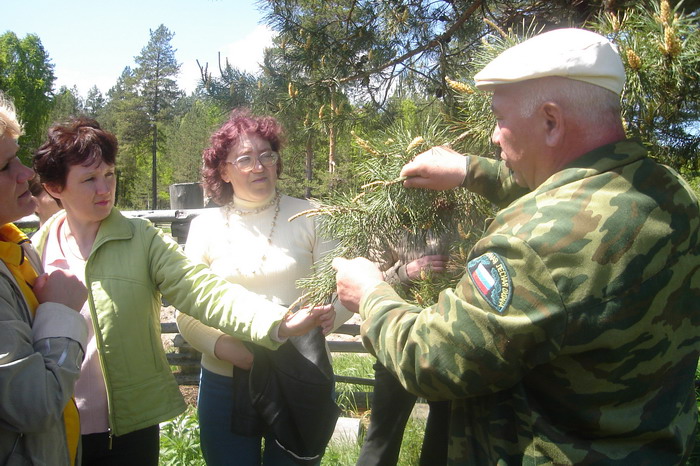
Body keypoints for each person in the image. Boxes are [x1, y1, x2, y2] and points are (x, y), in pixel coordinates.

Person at [333, 28, 700, 464]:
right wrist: (469, 170)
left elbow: (432, 358)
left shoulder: (531, 244)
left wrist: (371, 296)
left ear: (550, 120)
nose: (493, 136)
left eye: (499, 118)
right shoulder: (671, 192)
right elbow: (577, 200)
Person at [31, 117, 335, 466]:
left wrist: (279, 323)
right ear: (55, 187)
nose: (105, 189)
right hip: (55, 424)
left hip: (129, 428)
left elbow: (201, 290)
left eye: (110, 175)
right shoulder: (32, 253)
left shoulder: (142, 240)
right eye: (89, 179)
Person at [176, 109, 352, 466]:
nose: (259, 166)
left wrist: (321, 320)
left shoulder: (312, 217)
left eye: (267, 155)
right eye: (245, 158)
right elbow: (187, 309)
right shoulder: (204, 227)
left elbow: (341, 289)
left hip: (300, 374)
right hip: (226, 377)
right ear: (223, 170)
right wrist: (233, 351)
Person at [0, 90, 88, 465]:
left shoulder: (14, 246)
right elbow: (36, 406)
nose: (25, 173)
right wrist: (62, 313)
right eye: (5, 166)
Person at [358, 231, 451, 466]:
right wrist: (404, 273)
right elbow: (366, 283)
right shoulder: (390, 220)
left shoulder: (465, 209)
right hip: (397, 341)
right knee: (382, 436)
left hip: (448, 342)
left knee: (445, 432)